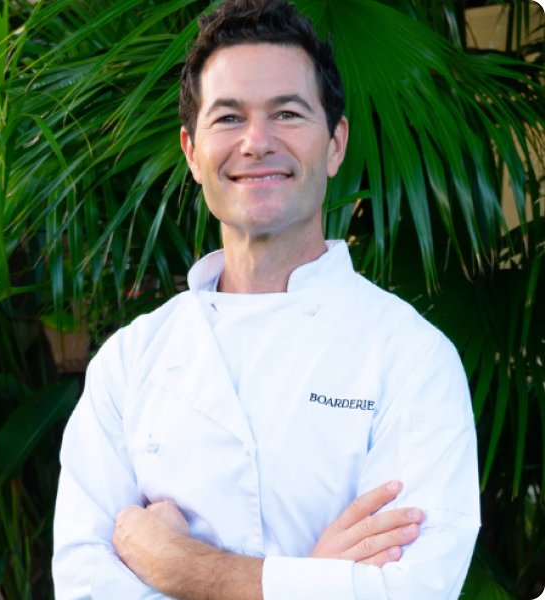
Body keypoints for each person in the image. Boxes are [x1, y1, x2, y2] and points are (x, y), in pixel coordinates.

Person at [52, 0, 481, 598]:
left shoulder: (412, 359)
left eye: (286, 113)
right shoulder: (127, 365)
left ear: (334, 145)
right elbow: (84, 586)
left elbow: (414, 589)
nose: (256, 142)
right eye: (228, 118)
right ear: (192, 153)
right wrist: (316, 577)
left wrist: (177, 565)